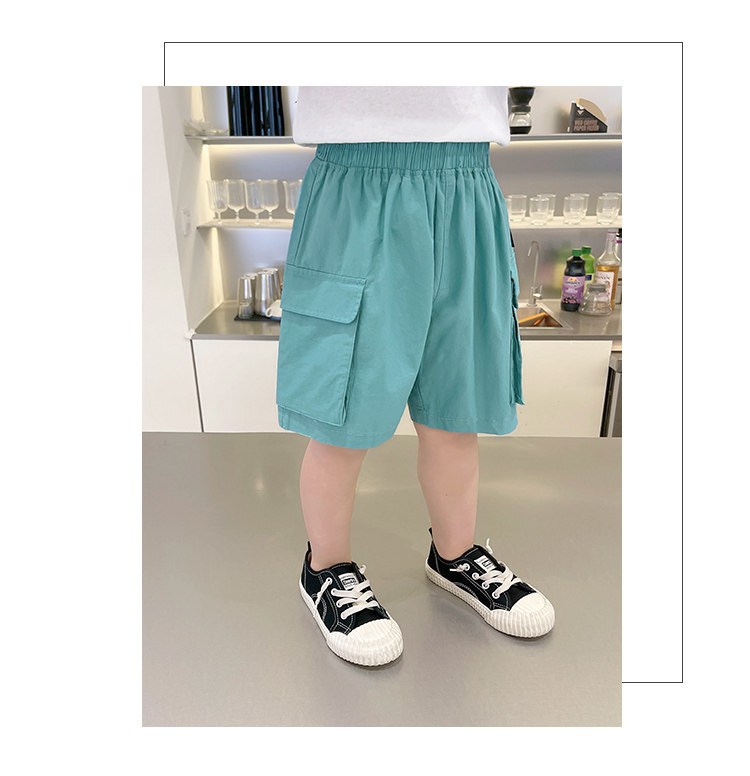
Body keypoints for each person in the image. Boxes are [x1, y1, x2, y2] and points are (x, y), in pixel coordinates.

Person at [276, 86, 554, 667]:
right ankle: (325, 568)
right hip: (359, 179)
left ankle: (455, 554)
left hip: (468, 181)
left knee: (459, 406)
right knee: (342, 413)